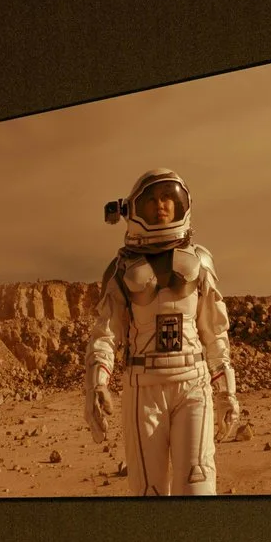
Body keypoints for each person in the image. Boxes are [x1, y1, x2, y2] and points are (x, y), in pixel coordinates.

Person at [85, 168, 239, 496]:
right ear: (134, 209)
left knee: (198, 487)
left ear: (181, 204)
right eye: (152, 199)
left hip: (193, 384)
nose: (161, 205)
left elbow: (214, 333)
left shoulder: (199, 262)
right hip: (144, 390)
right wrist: (97, 384)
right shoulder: (122, 270)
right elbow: (106, 334)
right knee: (149, 492)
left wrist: (227, 392)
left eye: (168, 198)